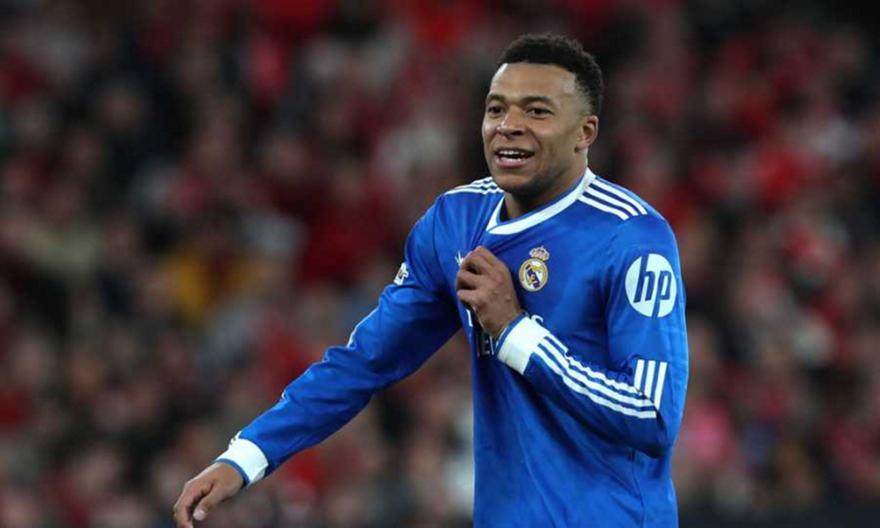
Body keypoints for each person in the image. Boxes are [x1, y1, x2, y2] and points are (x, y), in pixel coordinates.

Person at [173, 33, 688, 528]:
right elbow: (365, 361)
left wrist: (516, 332)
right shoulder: (456, 223)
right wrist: (245, 456)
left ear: (585, 133)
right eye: (496, 109)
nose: (508, 126)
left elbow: (652, 415)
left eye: (537, 111)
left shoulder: (632, 237)